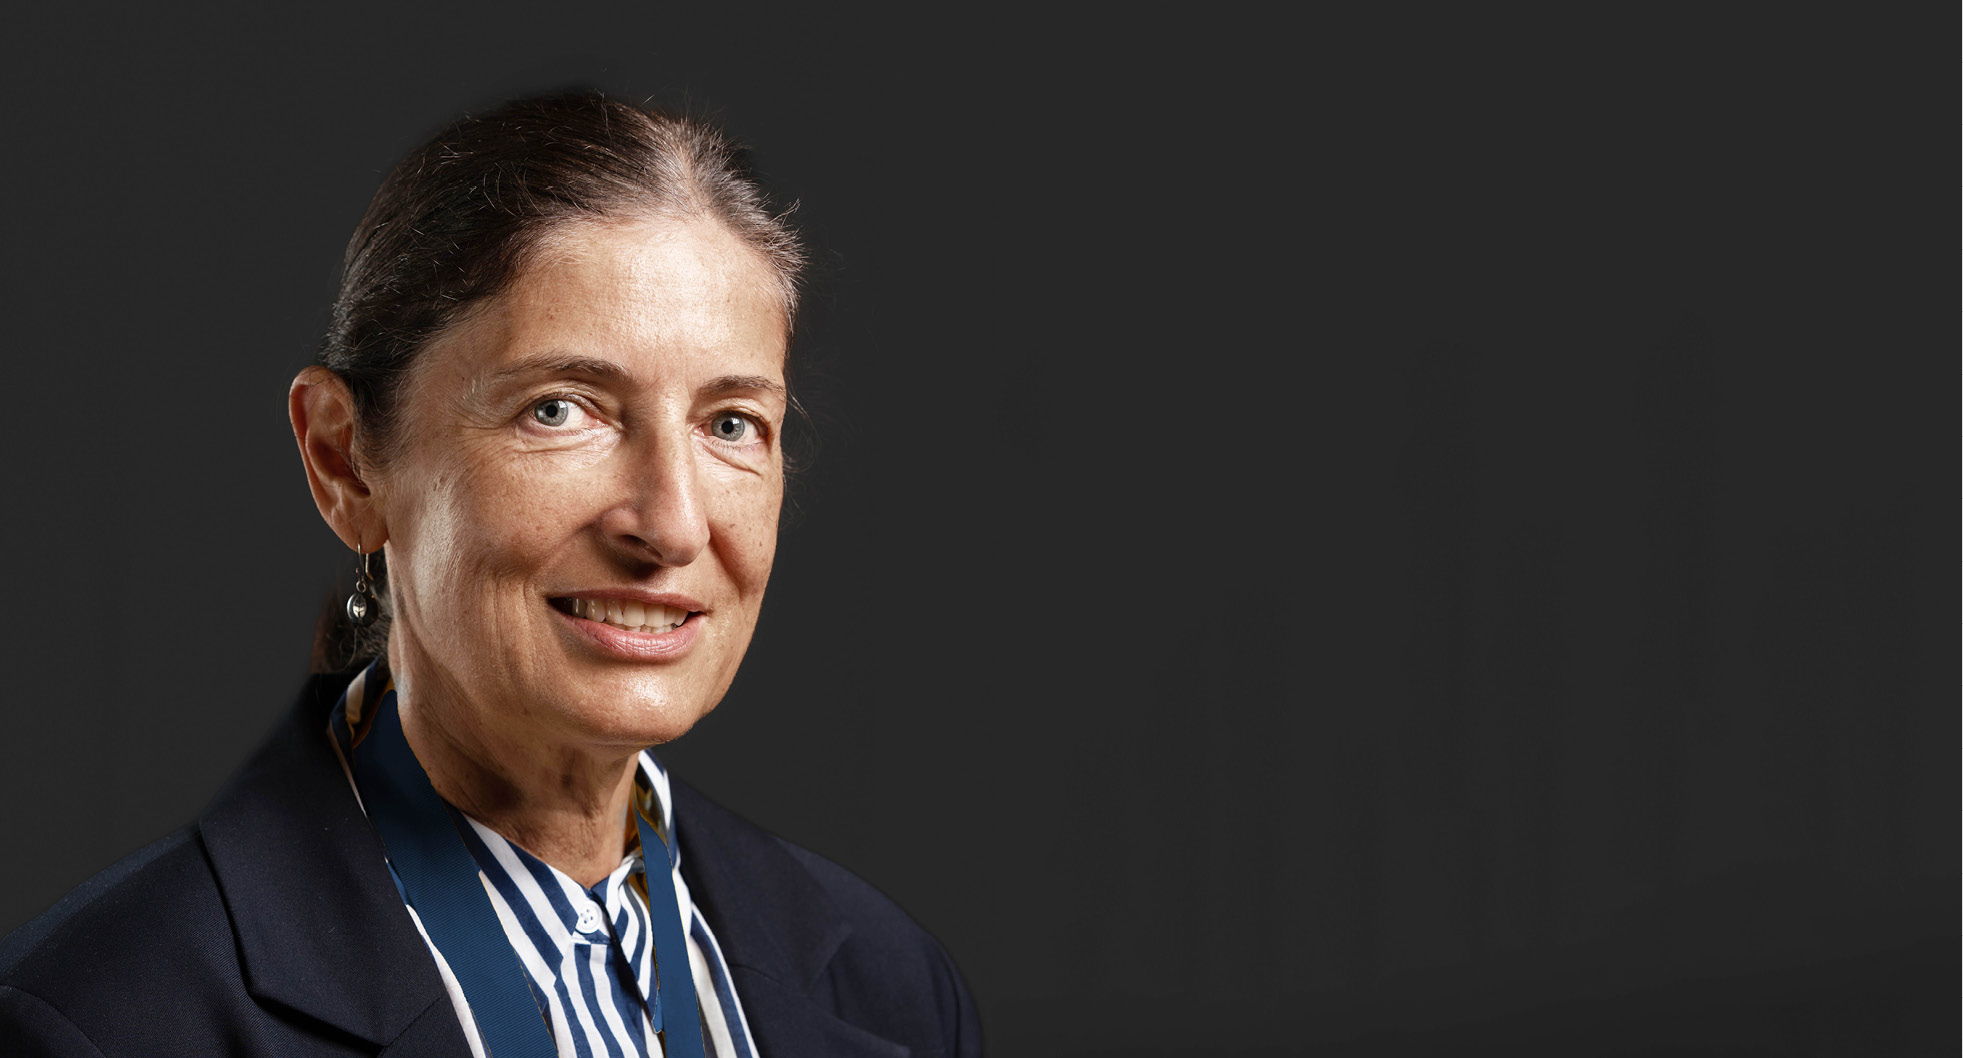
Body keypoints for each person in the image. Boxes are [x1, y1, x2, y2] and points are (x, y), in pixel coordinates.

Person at [0, 91, 980, 1058]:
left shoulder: (894, 988)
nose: (673, 525)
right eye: (560, 409)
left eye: (730, 423)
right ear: (346, 462)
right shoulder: (101, 1021)